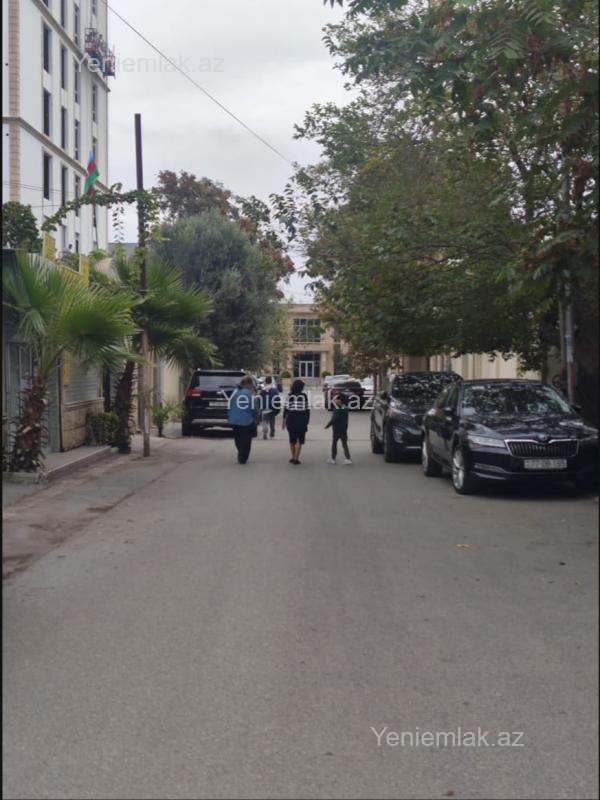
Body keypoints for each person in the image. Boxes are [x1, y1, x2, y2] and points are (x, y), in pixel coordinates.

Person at [228, 375, 258, 464]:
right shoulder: (249, 394)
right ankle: (243, 456)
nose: (252, 386)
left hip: (234, 419)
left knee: (238, 437)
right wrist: (255, 416)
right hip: (246, 420)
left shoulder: (235, 392)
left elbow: (230, 405)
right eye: (251, 384)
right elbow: (254, 408)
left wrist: (229, 415)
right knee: (246, 439)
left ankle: (240, 452)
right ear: (248, 384)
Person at [283, 378, 310, 465]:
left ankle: (293, 456)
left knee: (292, 439)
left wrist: (284, 421)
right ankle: (296, 458)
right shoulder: (304, 396)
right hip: (301, 419)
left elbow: (286, 409)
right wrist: (307, 421)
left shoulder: (289, 396)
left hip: (291, 419)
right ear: (301, 387)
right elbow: (307, 409)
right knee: (299, 440)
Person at [325, 391, 352, 464]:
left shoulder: (337, 408)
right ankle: (348, 458)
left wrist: (328, 425)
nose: (335, 400)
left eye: (336, 399)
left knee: (334, 443)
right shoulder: (345, 407)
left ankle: (333, 458)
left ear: (340, 400)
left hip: (337, 429)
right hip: (344, 428)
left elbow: (334, 419)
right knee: (344, 444)